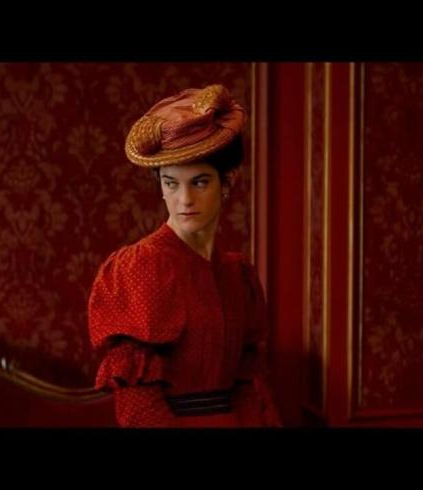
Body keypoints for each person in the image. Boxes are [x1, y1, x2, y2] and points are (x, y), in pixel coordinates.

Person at [87, 84, 281, 427]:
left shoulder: (238, 274)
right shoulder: (143, 266)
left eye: (200, 182)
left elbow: (248, 387)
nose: (184, 199)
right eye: (171, 183)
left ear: (227, 182)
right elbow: (138, 404)